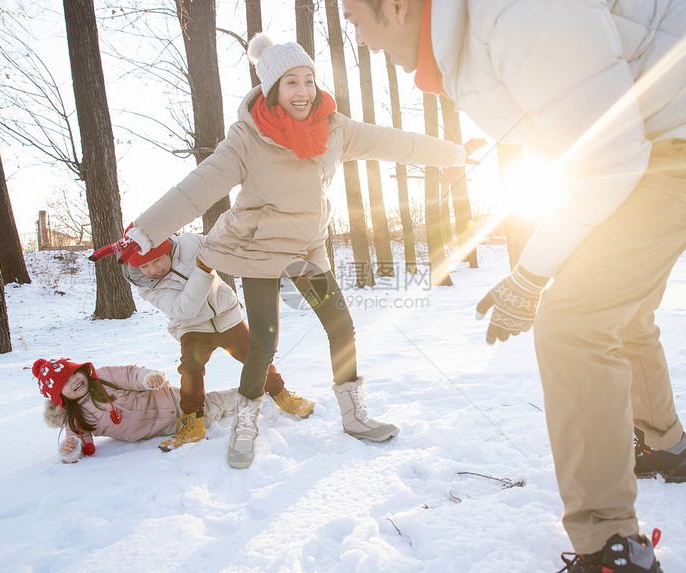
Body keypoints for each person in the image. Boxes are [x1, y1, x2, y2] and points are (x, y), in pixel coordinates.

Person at [340, 0, 686, 570]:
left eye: (353, 19)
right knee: (617, 304)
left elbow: (606, 157)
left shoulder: (515, 13)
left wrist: (531, 276)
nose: (355, 36)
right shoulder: (462, 40)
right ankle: (665, 448)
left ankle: (609, 548)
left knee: (575, 323)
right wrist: (543, 258)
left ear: (392, 7)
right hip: (659, 134)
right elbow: (565, 141)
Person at [90, 33, 479, 469]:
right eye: (291, 82)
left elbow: (394, 142)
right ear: (273, 88)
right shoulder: (247, 137)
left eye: (309, 81)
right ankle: (245, 425)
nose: (303, 92)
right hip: (258, 247)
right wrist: (146, 230)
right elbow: (198, 186)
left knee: (341, 325)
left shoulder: (334, 128)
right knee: (264, 341)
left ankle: (353, 414)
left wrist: (455, 154)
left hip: (307, 245)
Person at [120, 230, 316, 452]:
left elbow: (223, 247)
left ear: (167, 249)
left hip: (226, 317)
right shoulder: (146, 286)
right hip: (192, 327)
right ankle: (193, 421)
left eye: (156, 260)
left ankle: (281, 393)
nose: (152, 270)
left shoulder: (190, 243)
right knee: (190, 369)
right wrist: (203, 269)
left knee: (256, 358)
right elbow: (184, 310)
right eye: (144, 267)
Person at [32, 357, 240, 463]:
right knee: (203, 420)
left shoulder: (104, 377)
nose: (74, 381)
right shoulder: (76, 417)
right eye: (65, 384)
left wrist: (148, 378)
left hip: (169, 400)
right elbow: (80, 440)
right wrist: (72, 449)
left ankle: (245, 394)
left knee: (210, 404)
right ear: (61, 397)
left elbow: (131, 375)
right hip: (164, 428)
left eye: (72, 374)